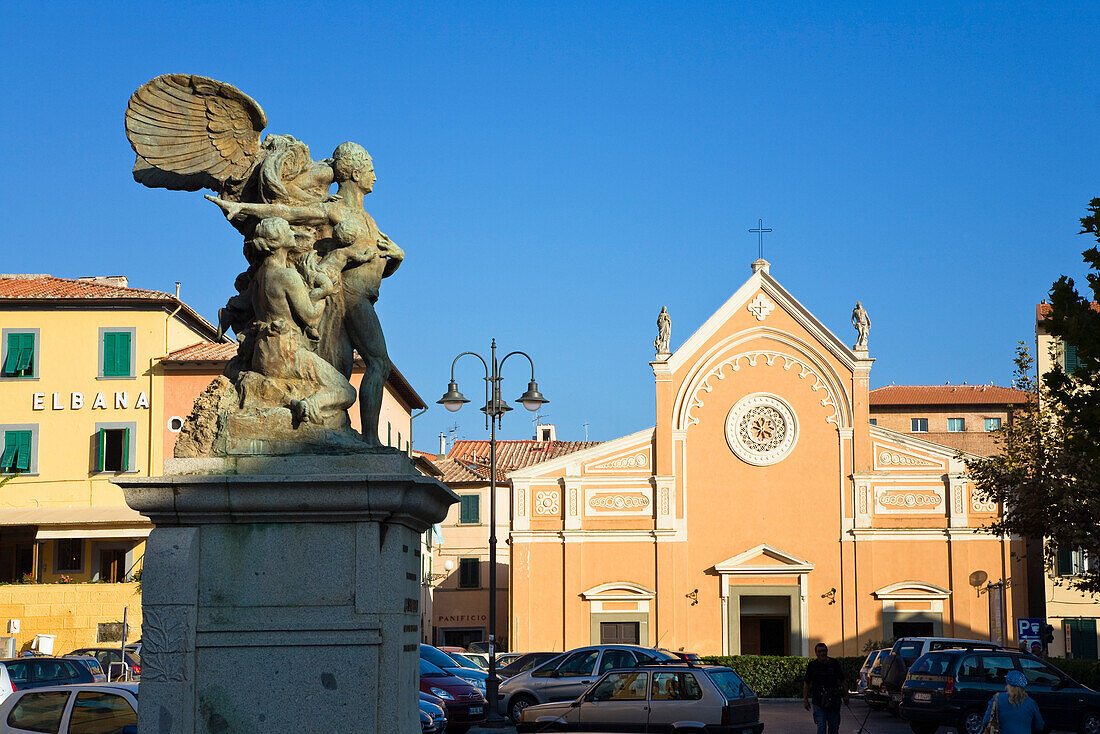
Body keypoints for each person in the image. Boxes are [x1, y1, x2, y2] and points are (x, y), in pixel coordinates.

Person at [206, 142, 403, 446]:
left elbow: (376, 268)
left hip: (363, 296)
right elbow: (287, 212)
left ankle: (352, 432)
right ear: (352, 171)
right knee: (378, 363)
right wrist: (243, 208)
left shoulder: (369, 219)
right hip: (347, 298)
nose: (375, 176)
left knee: (343, 369)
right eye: (371, 169)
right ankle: (372, 439)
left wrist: (397, 258)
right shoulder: (335, 210)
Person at [802, 643, 847, 734]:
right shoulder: (812, 665)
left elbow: (843, 681)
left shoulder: (834, 663)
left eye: (823, 651)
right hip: (818, 702)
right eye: (819, 651)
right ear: (816, 653)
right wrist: (805, 700)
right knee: (821, 726)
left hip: (833, 701)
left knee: (834, 727)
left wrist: (846, 695)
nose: (822, 653)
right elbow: (806, 684)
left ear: (827, 652)